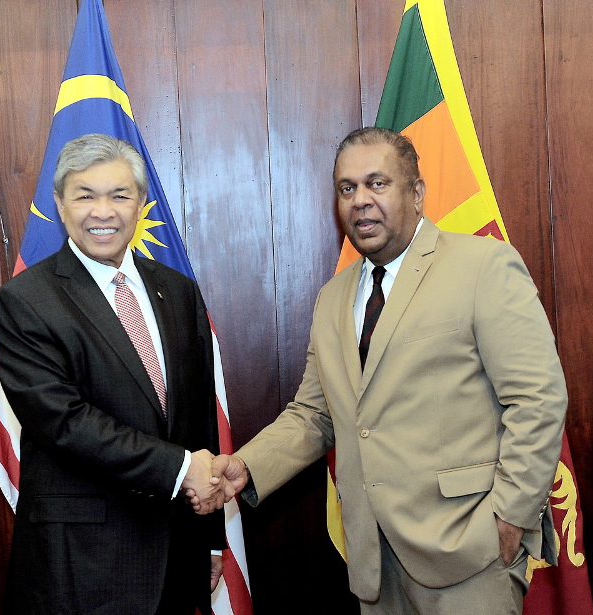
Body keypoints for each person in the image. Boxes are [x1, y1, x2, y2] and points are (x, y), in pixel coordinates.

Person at [202, 127, 567, 614]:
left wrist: (510, 518)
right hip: (373, 560)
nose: (360, 201)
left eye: (378, 183)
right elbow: (314, 414)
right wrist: (247, 467)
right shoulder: (334, 298)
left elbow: (537, 399)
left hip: (469, 552)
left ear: (416, 193)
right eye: (347, 188)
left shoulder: (483, 266)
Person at [0, 133, 229, 615]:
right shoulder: (25, 302)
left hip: (178, 551)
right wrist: (182, 469)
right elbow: (63, 422)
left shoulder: (178, 291)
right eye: (85, 195)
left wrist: (209, 538)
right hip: (85, 561)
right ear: (59, 204)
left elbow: (200, 419)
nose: (104, 212)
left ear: (141, 203)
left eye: (120, 195)